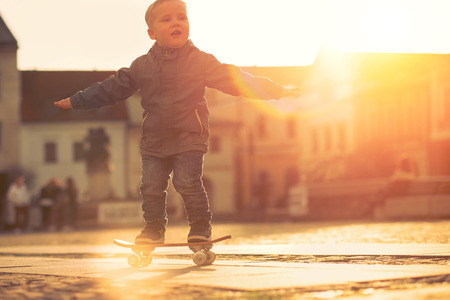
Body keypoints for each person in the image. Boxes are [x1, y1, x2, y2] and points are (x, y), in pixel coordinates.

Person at [54, 0, 300, 244]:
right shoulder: (142, 66)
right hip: (154, 139)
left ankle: (200, 228)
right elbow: (111, 89)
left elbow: (235, 79)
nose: (176, 23)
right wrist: (77, 100)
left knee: (187, 182)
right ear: (152, 33)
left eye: (181, 17)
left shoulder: (200, 62)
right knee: (150, 185)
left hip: (189, 135)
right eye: (167, 19)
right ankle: (153, 229)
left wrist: (275, 90)